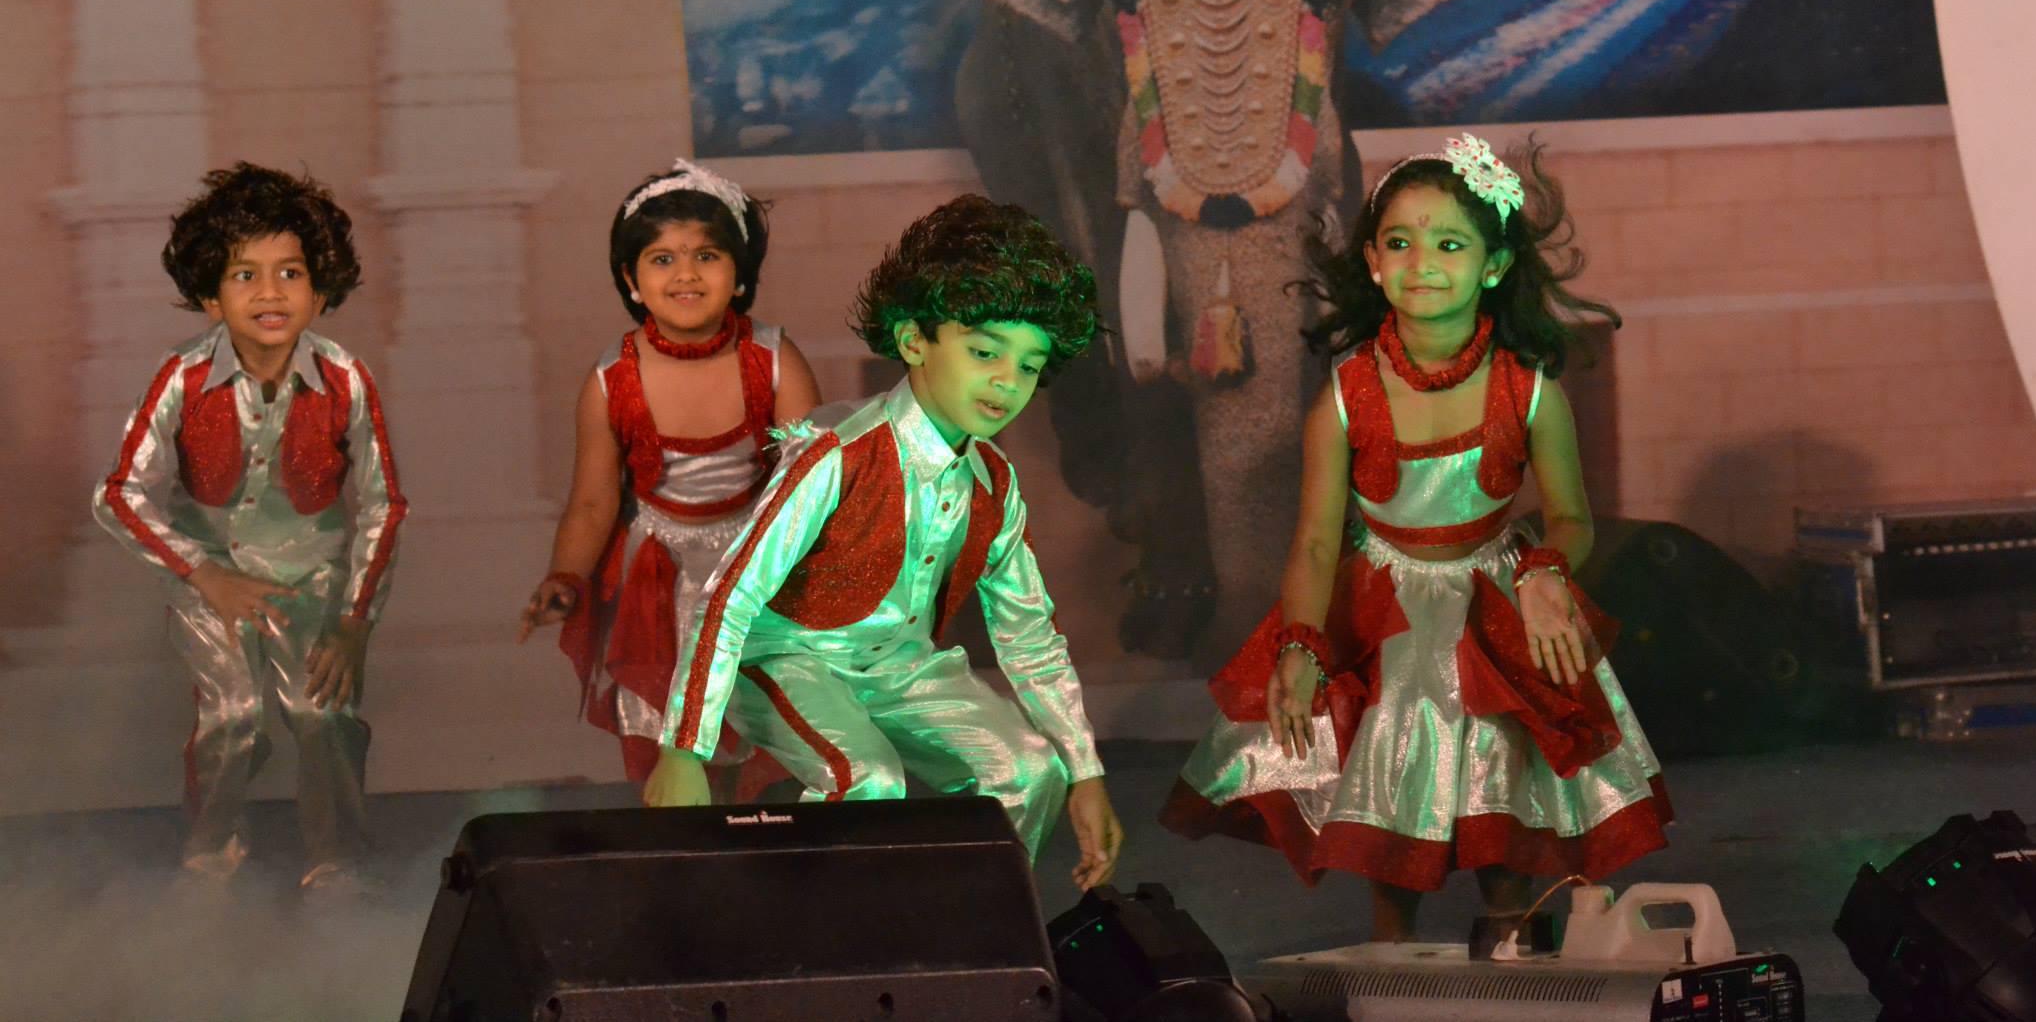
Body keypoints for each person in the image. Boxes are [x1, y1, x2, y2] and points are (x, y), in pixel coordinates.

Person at [1163, 135, 1670, 940]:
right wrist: (1300, 644)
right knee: (1393, 795)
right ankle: (1394, 964)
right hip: (1387, 616)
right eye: (1400, 243)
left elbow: (1573, 518)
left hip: (1494, 610)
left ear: (1493, 266)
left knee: (1504, 785)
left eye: (1450, 245)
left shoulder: (1529, 389)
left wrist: (1545, 570)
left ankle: (1512, 950)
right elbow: (1317, 543)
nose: (1422, 263)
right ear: (1372, 261)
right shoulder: (1345, 394)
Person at [646, 195, 1124, 891]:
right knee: (866, 779)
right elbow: (731, 594)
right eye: (985, 351)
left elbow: (1029, 637)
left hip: (901, 667)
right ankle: (814, 933)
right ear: (913, 341)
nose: (1007, 380)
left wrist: (1084, 772)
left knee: (1028, 773)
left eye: (1029, 365)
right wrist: (684, 748)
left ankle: (952, 932)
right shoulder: (836, 454)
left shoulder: (994, 483)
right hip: (784, 658)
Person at [93, 163, 405, 889]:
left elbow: (383, 504)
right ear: (210, 295)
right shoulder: (181, 378)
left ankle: (338, 862)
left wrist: (354, 622)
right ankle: (210, 856)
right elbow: (119, 494)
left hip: (315, 580)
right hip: (213, 580)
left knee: (322, 716)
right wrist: (203, 575)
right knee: (233, 717)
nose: (270, 293)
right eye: (244, 275)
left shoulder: (346, 378)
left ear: (320, 291)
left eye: (290, 273)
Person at [518, 159, 819, 786]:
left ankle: (763, 825)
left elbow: (812, 485)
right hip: (657, 582)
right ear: (631, 280)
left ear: (740, 273)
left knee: (769, 735)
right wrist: (565, 575)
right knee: (670, 743)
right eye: (662, 259)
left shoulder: (773, 360)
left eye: (706, 256)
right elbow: (593, 502)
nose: (686, 274)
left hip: (757, 569)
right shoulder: (612, 379)